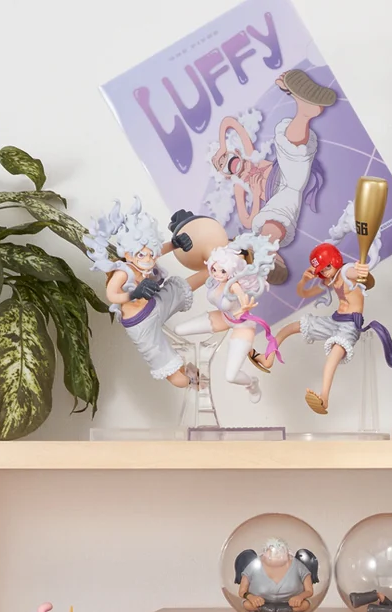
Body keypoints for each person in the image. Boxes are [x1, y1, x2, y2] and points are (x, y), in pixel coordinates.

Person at [251, 242, 392, 415]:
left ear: (335, 261)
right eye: (322, 269)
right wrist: (304, 280)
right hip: (335, 320)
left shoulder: (347, 270)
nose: (325, 272)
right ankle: (268, 358)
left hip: (350, 326)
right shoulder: (330, 279)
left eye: (327, 267)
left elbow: (366, 279)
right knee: (290, 328)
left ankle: (324, 398)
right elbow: (304, 294)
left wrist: (362, 271)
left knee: (332, 358)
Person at [211, 69, 336, 283]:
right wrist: (255, 195)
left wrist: (222, 145)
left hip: (281, 171)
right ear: (227, 175)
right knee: (278, 209)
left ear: (236, 152)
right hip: (278, 195)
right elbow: (248, 219)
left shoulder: (250, 154)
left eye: (227, 158)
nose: (229, 163)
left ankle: (304, 111)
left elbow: (231, 123)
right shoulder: (240, 186)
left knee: (290, 153)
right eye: (225, 167)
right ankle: (264, 250)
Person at [85, 198, 203, 388]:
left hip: (156, 304)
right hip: (141, 326)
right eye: (141, 254)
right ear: (128, 254)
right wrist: (133, 294)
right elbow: (111, 295)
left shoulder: (148, 257)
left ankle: (216, 268)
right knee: (178, 379)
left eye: (151, 254)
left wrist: (175, 243)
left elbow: (158, 250)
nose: (148, 259)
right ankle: (191, 378)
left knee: (181, 288)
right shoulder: (123, 271)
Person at [172, 235, 277, 402]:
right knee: (178, 330)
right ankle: (185, 367)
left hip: (243, 325)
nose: (217, 274)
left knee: (231, 376)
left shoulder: (234, 285)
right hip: (224, 317)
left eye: (222, 271)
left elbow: (241, 296)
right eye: (214, 269)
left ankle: (252, 383)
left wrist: (245, 305)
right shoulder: (214, 281)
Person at [234, 538, 319, 612]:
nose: (276, 555)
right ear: (264, 553)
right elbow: (242, 591)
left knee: (305, 604)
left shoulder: (298, 566)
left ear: (287, 553)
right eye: (271, 552)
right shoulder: (253, 566)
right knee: (247, 604)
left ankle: (285, 611)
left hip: (292, 605)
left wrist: (299, 597)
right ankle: (265, 611)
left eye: (280, 552)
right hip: (260, 605)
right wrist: (251, 597)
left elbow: (309, 591)